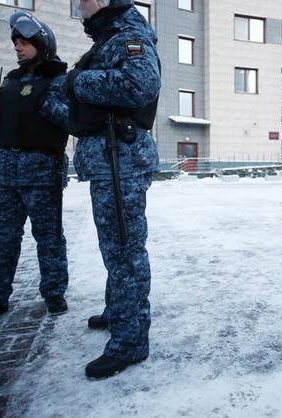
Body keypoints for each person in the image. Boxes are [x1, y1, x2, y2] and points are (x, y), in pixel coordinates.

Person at [64, 0, 160, 378]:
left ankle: (131, 341)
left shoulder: (130, 35)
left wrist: (77, 82)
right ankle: (118, 312)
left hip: (121, 161)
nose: (77, 4)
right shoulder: (108, 38)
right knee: (116, 249)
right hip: (107, 160)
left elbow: (141, 84)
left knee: (125, 252)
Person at [0, 10, 72, 328]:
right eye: (15, 42)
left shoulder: (58, 79)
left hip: (41, 170)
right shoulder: (12, 79)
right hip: (7, 170)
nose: (17, 48)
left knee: (48, 237)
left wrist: (38, 102)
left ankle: (53, 293)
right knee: (2, 238)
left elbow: (69, 119)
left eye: (24, 42)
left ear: (41, 43)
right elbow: (0, 125)